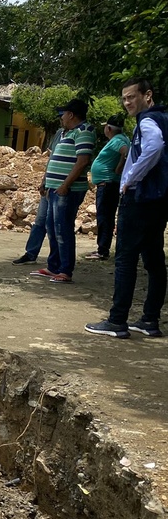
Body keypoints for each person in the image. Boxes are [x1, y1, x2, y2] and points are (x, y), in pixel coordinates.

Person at [85, 79, 168, 338]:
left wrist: (131, 177)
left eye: (132, 97)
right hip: (158, 199)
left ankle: (117, 320)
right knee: (154, 260)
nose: (127, 102)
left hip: (139, 198)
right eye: (125, 98)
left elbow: (154, 147)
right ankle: (149, 320)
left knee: (125, 259)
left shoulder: (147, 120)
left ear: (148, 96)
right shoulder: (164, 118)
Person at [28, 98, 93, 283]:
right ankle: (54, 266)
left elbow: (82, 161)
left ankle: (65, 270)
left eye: (63, 114)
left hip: (67, 190)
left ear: (71, 114)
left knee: (62, 229)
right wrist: (46, 182)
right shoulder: (67, 133)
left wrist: (65, 185)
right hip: (54, 189)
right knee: (51, 226)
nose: (61, 118)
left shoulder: (84, 131)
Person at [84, 113, 130, 260]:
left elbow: (126, 152)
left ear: (109, 128)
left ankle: (102, 251)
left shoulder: (118, 140)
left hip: (108, 184)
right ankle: (102, 249)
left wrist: (119, 168)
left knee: (104, 218)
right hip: (107, 184)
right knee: (106, 217)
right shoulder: (119, 139)